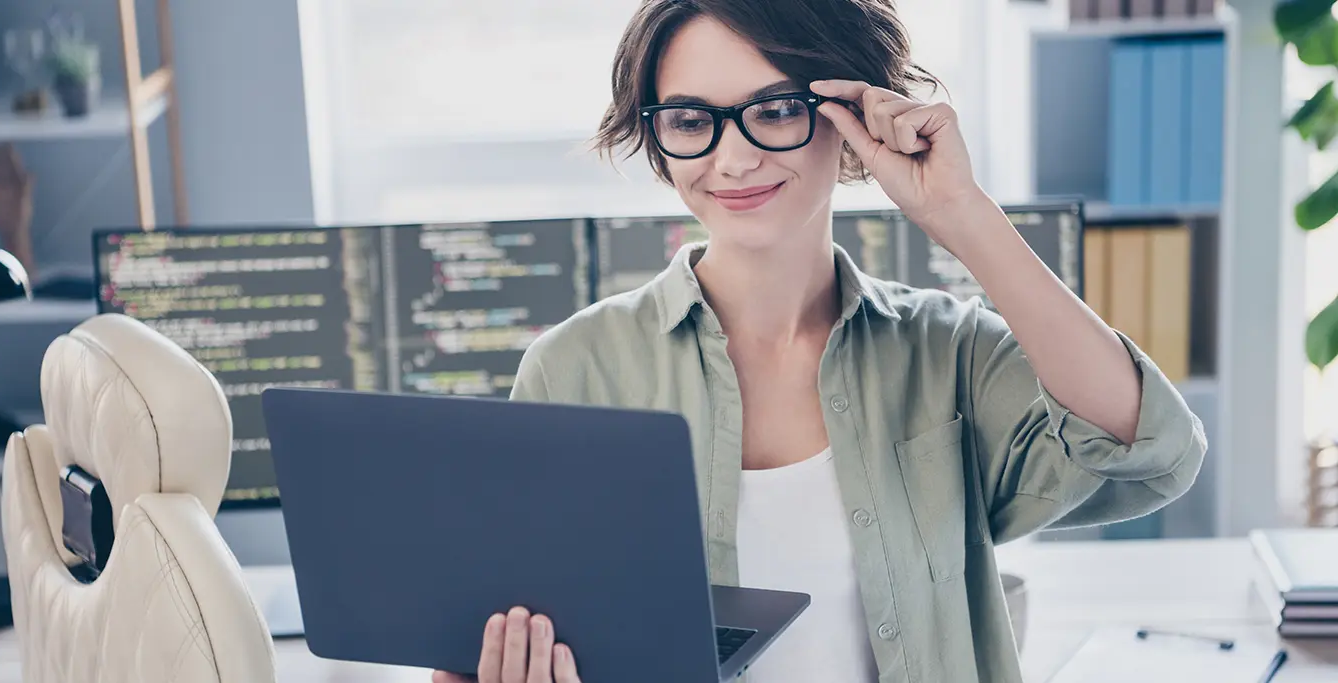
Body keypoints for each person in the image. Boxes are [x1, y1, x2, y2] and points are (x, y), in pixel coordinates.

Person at [435, 0, 1206, 681]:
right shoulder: (575, 369)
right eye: (691, 121)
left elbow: (1151, 450)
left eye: (774, 109)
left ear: (852, 121)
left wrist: (961, 213)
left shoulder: (949, 351)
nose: (732, 159)